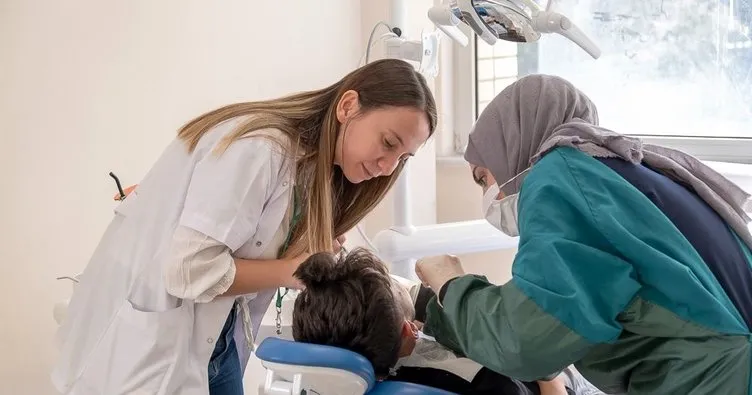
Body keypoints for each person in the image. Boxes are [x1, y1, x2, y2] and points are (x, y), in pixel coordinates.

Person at [51, 59, 437, 395]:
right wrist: (292, 270)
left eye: (403, 158)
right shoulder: (259, 149)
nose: (388, 166)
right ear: (349, 106)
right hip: (146, 351)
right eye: (388, 142)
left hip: (215, 343)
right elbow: (188, 270)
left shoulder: (311, 173)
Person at [415, 74, 752, 394]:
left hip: (711, 376)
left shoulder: (560, 176)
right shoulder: (615, 169)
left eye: (482, 177)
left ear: (510, 146)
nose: (490, 196)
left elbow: (526, 338)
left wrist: (450, 285)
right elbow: (576, 304)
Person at [292, 249, 602, 395]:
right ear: (409, 328)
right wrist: (549, 377)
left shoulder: (339, 351)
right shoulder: (488, 384)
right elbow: (532, 362)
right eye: (394, 283)